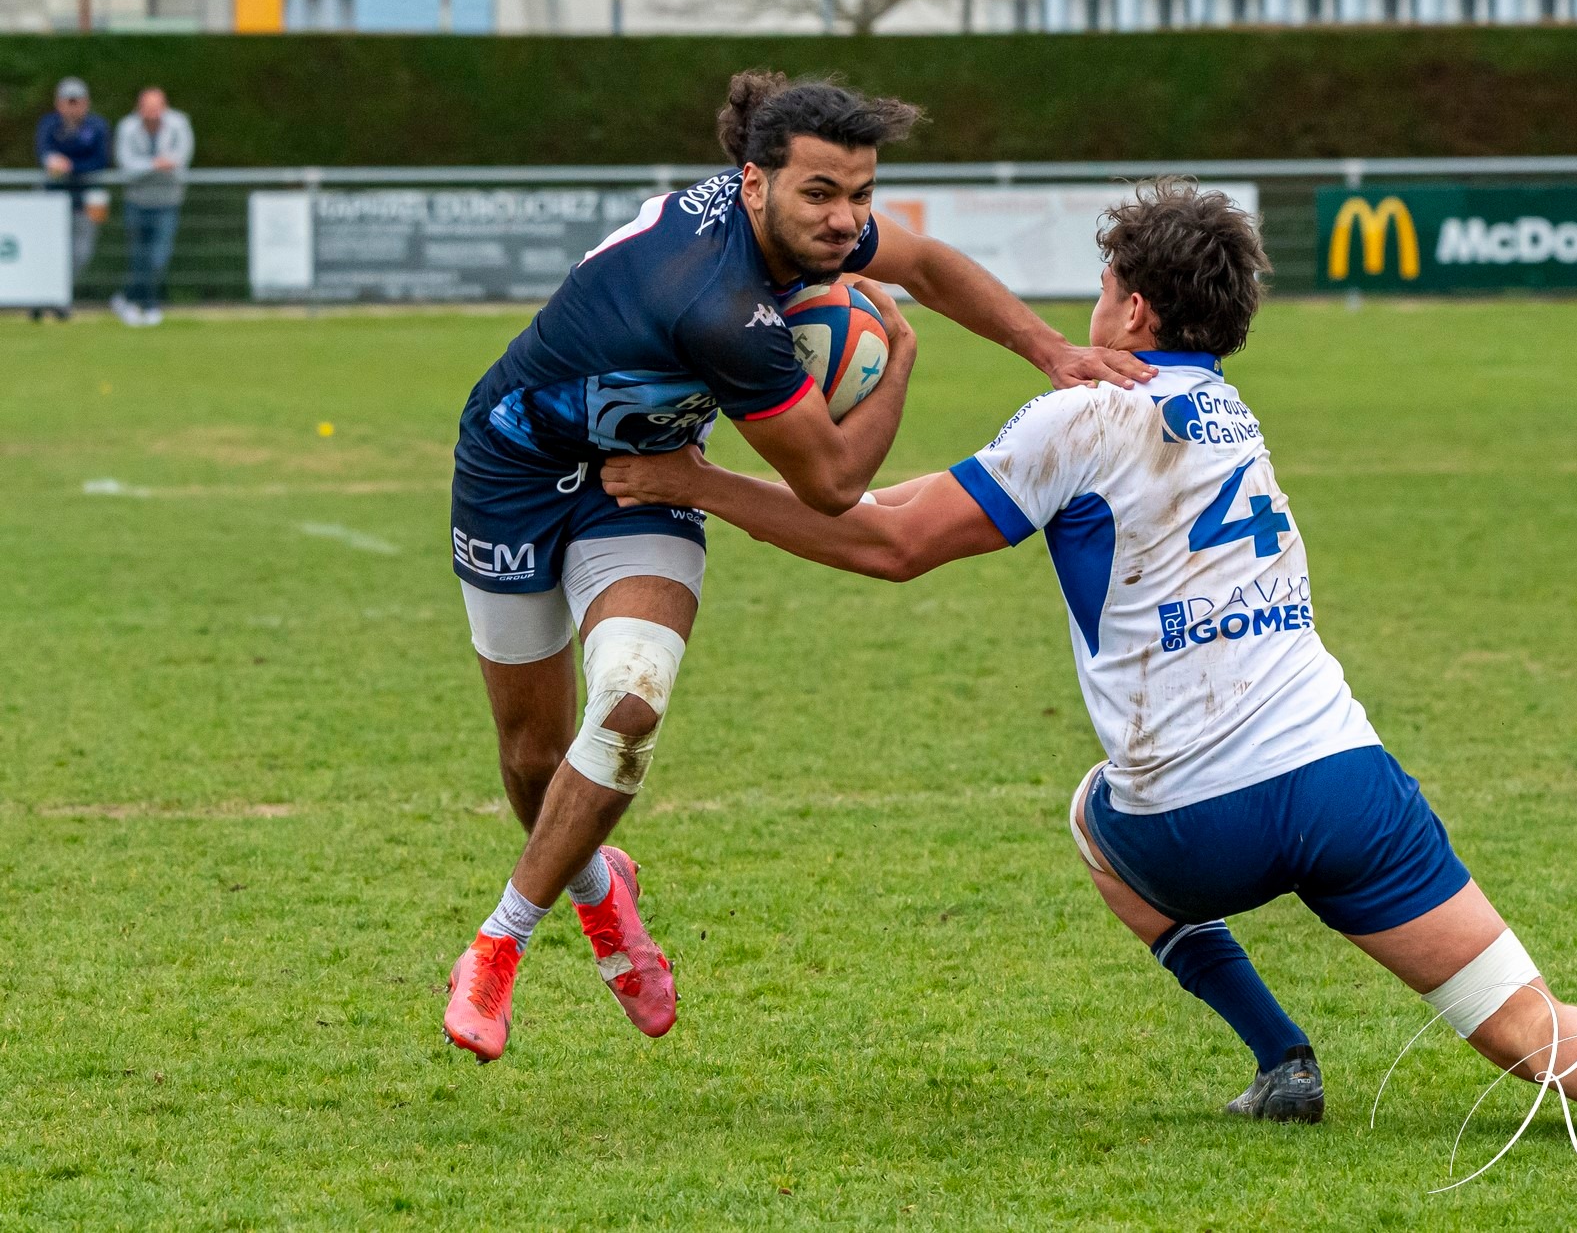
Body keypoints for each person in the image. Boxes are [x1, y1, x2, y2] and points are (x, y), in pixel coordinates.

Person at [599, 181, 1577, 1153]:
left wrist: (689, 480)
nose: (1087, 306)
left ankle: (1281, 1054)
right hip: (1347, 785)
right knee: (1526, 1029)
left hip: (1190, 826)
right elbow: (961, 508)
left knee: (1087, 816)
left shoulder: (1081, 410)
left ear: (1136, 306)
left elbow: (888, 547)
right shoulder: (1224, 406)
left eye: (1104, 286)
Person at [439, 69, 1157, 1063]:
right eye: (820, 193)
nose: (845, 220)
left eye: (860, 194)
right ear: (751, 183)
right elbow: (831, 486)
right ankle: (603, 891)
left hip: (649, 485)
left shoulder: (811, 237)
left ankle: (496, 946)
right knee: (532, 758)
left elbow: (935, 267)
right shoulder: (717, 306)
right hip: (511, 469)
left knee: (631, 704)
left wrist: (1048, 351)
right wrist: (897, 361)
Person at [112, 86, 195, 327]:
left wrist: (154, 166)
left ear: (165, 107)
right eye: (148, 107)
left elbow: (181, 159)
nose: (152, 113)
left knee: (158, 256)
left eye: (157, 107)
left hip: (168, 200)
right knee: (138, 256)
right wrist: (155, 165)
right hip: (136, 201)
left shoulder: (179, 125)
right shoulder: (127, 128)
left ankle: (127, 299)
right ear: (139, 108)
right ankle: (147, 305)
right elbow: (127, 165)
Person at [31, 76, 111, 322]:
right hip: (52, 201)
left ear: (86, 103)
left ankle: (57, 296)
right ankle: (47, 298)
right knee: (49, 251)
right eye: (69, 101)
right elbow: (43, 150)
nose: (73, 106)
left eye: (77, 101)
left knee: (80, 252)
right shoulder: (49, 124)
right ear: (59, 103)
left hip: (85, 200)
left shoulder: (97, 126)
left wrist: (71, 166)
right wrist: (52, 161)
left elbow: (100, 160)